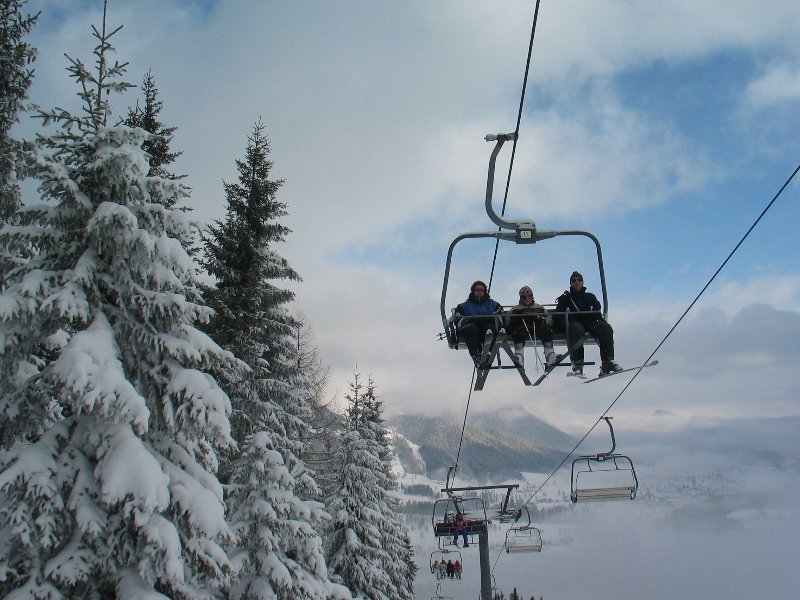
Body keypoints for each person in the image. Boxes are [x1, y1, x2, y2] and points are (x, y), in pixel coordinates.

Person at [554, 271, 621, 376]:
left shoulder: (590, 297)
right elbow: (558, 314)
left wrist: (595, 317)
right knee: (576, 330)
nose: (577, 282)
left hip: (590, 322)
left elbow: (597, 309)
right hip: (575, 322)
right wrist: (564, 325)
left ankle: (607, 361)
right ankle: (577, 361)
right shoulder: (566, 299)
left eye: (579, 280)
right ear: (571, 283)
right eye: (574, 280)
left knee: (606, 328)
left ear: (582, 282)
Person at [453, 280, 503, 367]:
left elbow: (500, 316)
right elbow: (458, 320)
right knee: (472, 329)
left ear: (484, 292)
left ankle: (488, 352)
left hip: (487, 325)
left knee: (489, 327)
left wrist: (490, 319)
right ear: (473, 291)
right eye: (477, 290)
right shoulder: (463, 306)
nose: (479, 292)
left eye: (481, 290)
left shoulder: (493, 304)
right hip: (472, 327)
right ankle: (476, 355)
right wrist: (470, 320)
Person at [506, 285, 557, 369]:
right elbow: (507, 322)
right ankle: (519, 355)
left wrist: (540, 319)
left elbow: (550, 320)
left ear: (532, 296)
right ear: (521, 298)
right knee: (519, 331)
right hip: (523, 328)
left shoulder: (539, 308)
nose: (527, 299)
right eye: (524, 297)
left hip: (537, 327)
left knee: (545, 330)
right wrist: (516, 319)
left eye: (529, 296)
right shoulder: (515, 309)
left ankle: (550, 354)